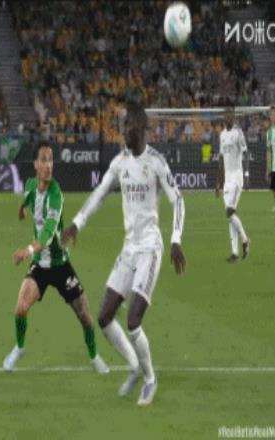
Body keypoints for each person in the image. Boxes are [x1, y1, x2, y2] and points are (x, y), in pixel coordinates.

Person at [62, 103, 186, 406]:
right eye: (122, 125)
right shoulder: (120, 163)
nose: (122, 130)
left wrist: (175, 240)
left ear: (141, 128)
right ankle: (134, 367)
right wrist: (77, 222)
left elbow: (178, 200)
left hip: (150, 249)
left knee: (132, 319)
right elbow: (100, 192)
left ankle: (150, 379)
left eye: (127, 125)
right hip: (129, 249)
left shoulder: (155, 162)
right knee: (104, 317)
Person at [3, 142, 109, 374]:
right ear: (35, 164)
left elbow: (48, 235)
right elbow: (26, 198)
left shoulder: (56, 194)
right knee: (20, 309)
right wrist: (21, 209)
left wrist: (27, 251)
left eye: (51, 160)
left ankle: (95, 357)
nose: (48, 165)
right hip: (40, 266)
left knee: (85, 316)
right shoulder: (30, 186)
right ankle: (19, 348)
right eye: (44, 160)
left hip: (60, 265)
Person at [215, 106, 251, 262]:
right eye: (226, 115)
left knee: (229, 212)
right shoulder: (222, 135)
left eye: (230, 115)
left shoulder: (238, 133)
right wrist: (218, 182)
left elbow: (246, 153)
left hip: (237, 177)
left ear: (234, 117)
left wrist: (247, 175)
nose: (228, 117)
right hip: (227, 180)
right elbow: (221, 159)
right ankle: (235, 253)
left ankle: (245, 239)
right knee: (230, 216)